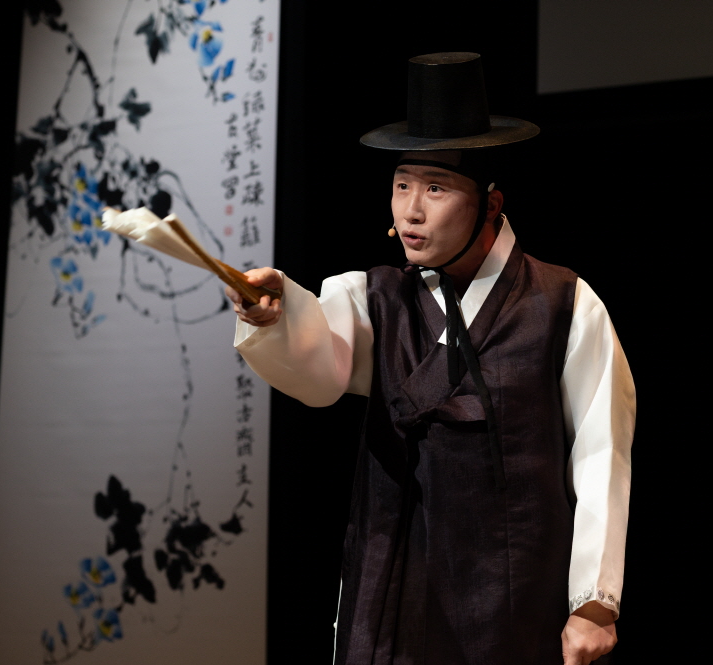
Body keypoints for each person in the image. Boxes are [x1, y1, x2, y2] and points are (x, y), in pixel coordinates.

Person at [226, 53, 635, 665]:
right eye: (402, 185)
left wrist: (593, 603)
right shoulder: (376, 298)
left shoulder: (561, 303)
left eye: (436, 188)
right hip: (393, 581)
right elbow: (318, 367)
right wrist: (273, 315)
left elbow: (602, 451)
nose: (411, 210)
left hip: (514, 590)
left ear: (491, 204)